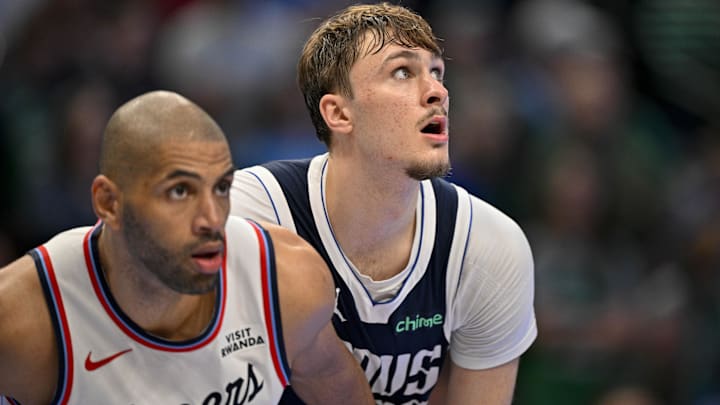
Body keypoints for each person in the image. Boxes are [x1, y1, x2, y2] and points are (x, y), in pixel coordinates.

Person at [230, 3, 537, 404]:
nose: (438, 92)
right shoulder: (249, 215)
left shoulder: (488, 247)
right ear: (339, 112)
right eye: (403, 72)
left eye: (437, 72)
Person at [0, 90, 374, 405]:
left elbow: (338, 389)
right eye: (180, 191)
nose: (211, 219)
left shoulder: (285, 279)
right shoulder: (23, 323)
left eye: (221, 188)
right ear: (110, 203)